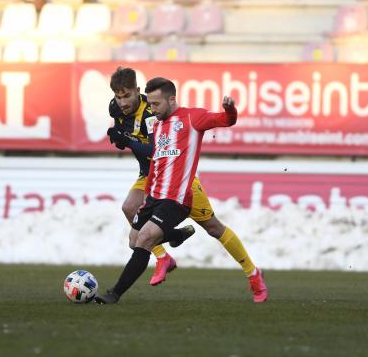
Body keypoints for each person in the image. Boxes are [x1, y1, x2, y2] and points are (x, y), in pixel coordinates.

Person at [96, 76, 268, 304]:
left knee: (214, 229)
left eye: (156, 104)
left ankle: (253, 275)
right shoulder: (156, 124)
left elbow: (226, 120)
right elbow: (155, 161)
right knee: (134, 240)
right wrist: (147, 193)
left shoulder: (192, 117)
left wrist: (230, 110)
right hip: (156, 192)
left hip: (182, 193)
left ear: (171, 99)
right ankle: (174, 237)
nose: (152, 109)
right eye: (151, 104)